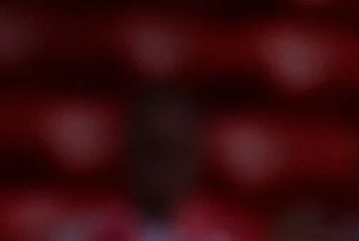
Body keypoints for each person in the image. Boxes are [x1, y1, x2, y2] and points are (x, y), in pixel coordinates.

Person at [74, 89, 252, 241]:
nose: (164, 163)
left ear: (198, 154)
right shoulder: (84, 234)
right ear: (129, 151)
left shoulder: (234, 236)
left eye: (176, 150)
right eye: (153, 148)